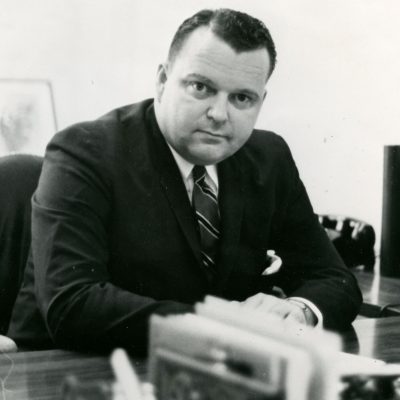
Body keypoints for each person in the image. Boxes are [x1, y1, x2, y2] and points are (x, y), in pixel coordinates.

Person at [8, 8, 362, 354]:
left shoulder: (269, 157)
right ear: (162, 80)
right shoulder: (86, 152)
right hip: (67, 371)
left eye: (242, 98)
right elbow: (72, 303)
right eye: (201, 87)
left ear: (261, 100)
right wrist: (223, 325)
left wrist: (298, 309)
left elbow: (335, 279)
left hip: (205, 373)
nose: (219, 115)